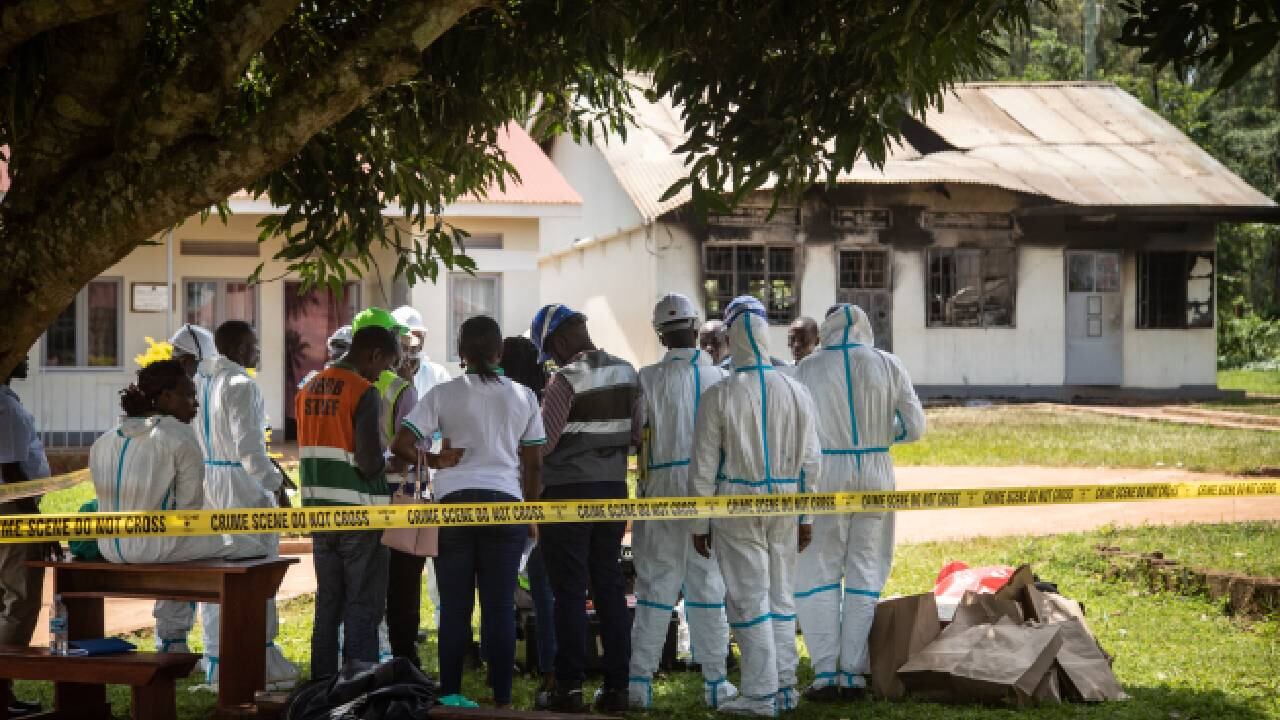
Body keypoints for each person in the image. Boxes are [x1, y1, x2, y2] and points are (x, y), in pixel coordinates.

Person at [390, 316, 545, 708]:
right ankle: (503, 698)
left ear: (461, 353)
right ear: (499, 352)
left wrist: (436, 460)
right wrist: (531, 514)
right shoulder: (524, 396)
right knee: (499, 607)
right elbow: (535, 464)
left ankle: (450, 694)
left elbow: (401, 443)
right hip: (506, 506)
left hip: (453, 508)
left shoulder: (443, 394)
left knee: (455, 607)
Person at [688, 295, 822, 717]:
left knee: (749, 600)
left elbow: (704, 468)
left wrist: (699, 522)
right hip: (785, 504)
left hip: (735, 509)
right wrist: (805, 515)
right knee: (781, 597)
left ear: (731, 337)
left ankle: (760, 695)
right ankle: (784, 687)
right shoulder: (797, 390)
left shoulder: (719, 395)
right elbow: (811, 462)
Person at [793, 304, 925, 701]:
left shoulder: (809, 368)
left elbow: (798, 433)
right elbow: (915, 426)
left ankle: (824, 672)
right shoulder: (888, 364)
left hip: (826, 476)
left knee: (817, 571)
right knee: (866, 571)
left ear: (828, 328)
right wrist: (883, 435)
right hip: (876, 472)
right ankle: (854, 671)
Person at [90, 360, 257, 652]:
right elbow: (190, 510)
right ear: (166, 397)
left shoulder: (103, 441)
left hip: (108, 546)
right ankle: (186, 643)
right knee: (253, 548)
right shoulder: (178, 436)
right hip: (154, 546)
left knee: (188, 548)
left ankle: (172, 640)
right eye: (188, 395)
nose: (195, 404)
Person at [530, 304, 640, 713]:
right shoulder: (629, 373)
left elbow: (543, 445)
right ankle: (617, 688)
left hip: (567, 496)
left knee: (570, 591)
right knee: (610, 586)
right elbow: (636, 435)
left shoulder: (564, 380)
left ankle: (569, 688)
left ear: (558, 342)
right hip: (613, 490)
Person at [629, 293, 737, 710]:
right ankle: (715, 682)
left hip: (658, 495)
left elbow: (636, 435)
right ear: (697, 329)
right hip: (707, 494)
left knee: (654, 590)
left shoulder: (646, 378)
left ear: (660, 335)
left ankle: (639, 684)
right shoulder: (720, 380)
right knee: (708, 589)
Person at [298, 323, 409, 677]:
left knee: (328, 603)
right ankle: (358, 689)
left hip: (319, 513)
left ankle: (322, 686)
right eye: (385, 365)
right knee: (363, 603)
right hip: (360, 514)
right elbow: (368, 461)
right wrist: (391, 462)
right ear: (373, 354)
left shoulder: (307, 388)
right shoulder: (362, 391)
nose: (382, 375)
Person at [195, 320, 298, 687]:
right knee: (258, 574)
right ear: (239, 349)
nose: (258, 352)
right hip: (242, 488)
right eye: (254, 346)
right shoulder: (240, 384)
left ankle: (217, 659)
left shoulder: (203, 379)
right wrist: (276, 486)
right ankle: (260, 658)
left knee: (217, 574)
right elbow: (251, 452)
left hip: (210, 485)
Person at [0, 355, 57, 717]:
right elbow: (10, 467)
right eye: (21, 349)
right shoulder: (4, 406)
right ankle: (1, 694)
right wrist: (34, 520)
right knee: (18, 602)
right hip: (12, 510)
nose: (26, 357)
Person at [502, 336, 557, 707]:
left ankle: (500, 662)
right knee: (544, 590)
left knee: (499, 588)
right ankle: (550, 665)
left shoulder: (506, 400)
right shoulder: (540, 401)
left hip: (507, 503)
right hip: (544, 503)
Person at [392, 306, 452, 400]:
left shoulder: (438, 375)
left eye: (418, 337)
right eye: (407, 338)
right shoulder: (381, 375)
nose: (412, 345)